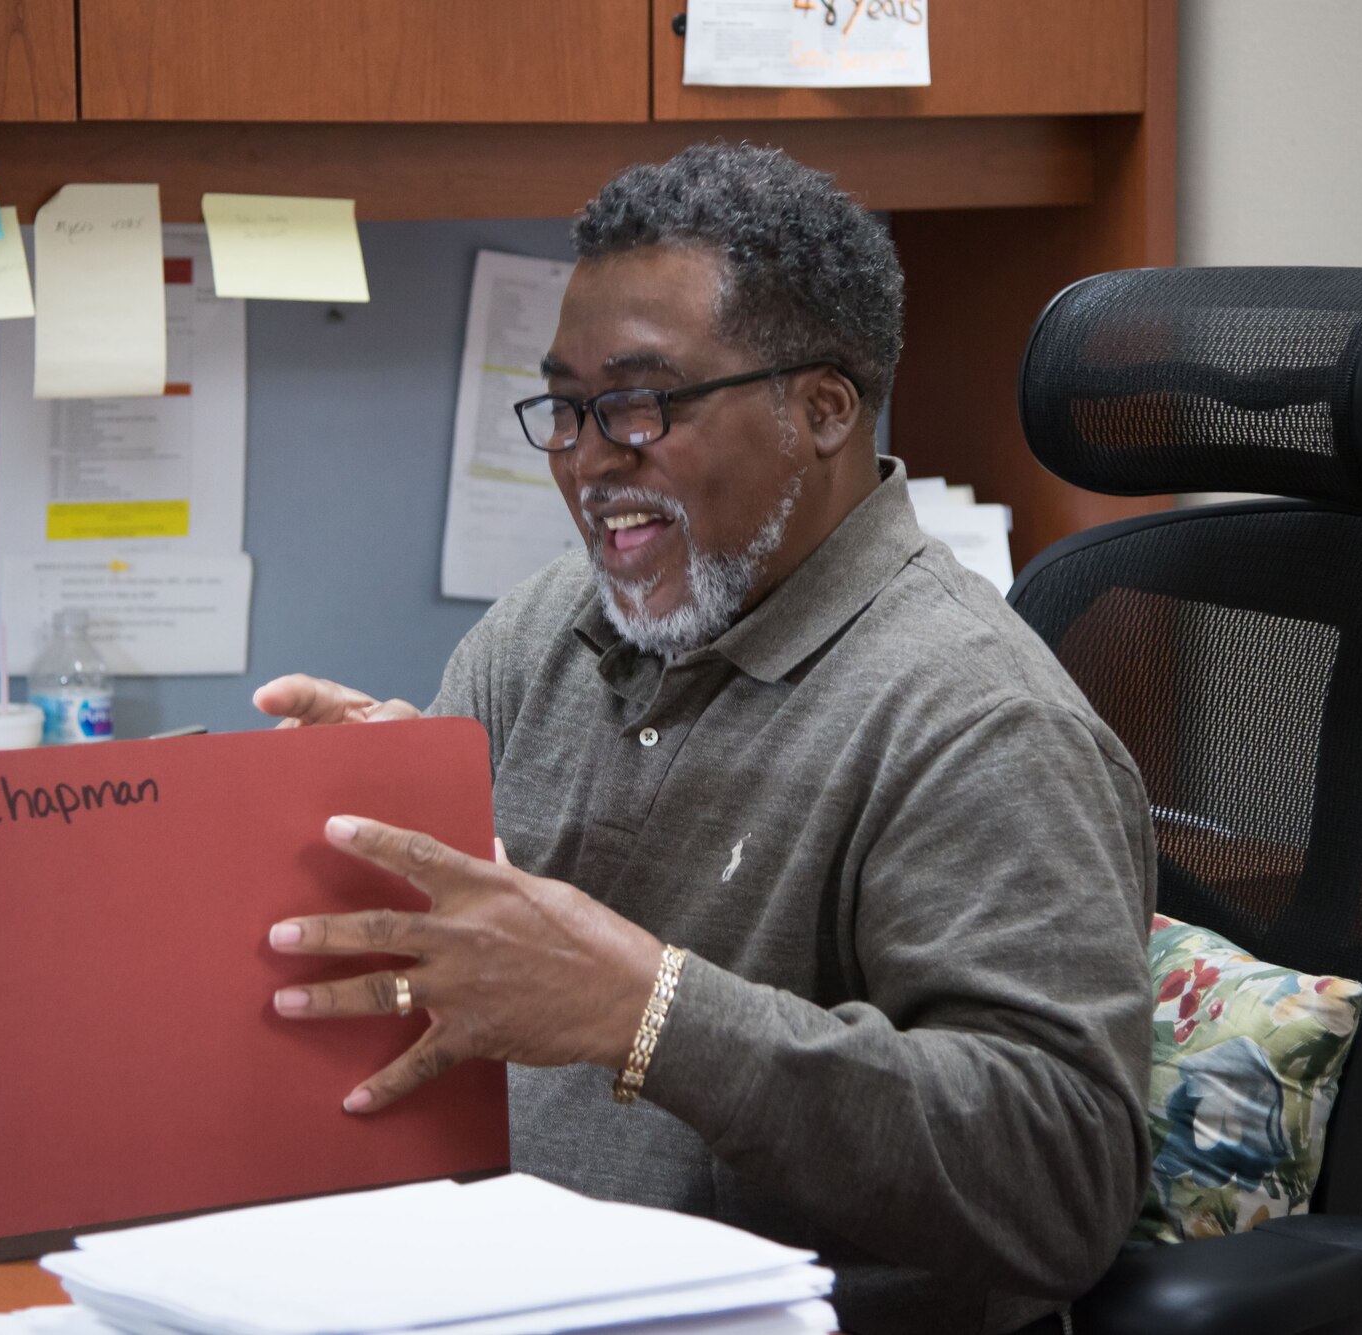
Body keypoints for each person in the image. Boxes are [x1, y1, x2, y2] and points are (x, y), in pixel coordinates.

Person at [253, 143, 1155, 1335]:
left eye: (638, 403)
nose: (582, 458)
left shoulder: (977, 721)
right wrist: (377, 829)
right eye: (565, 408)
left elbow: (1059, 1180)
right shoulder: (538, 635)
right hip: (475, 1280)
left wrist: (649, 1014)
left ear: (820, 410)